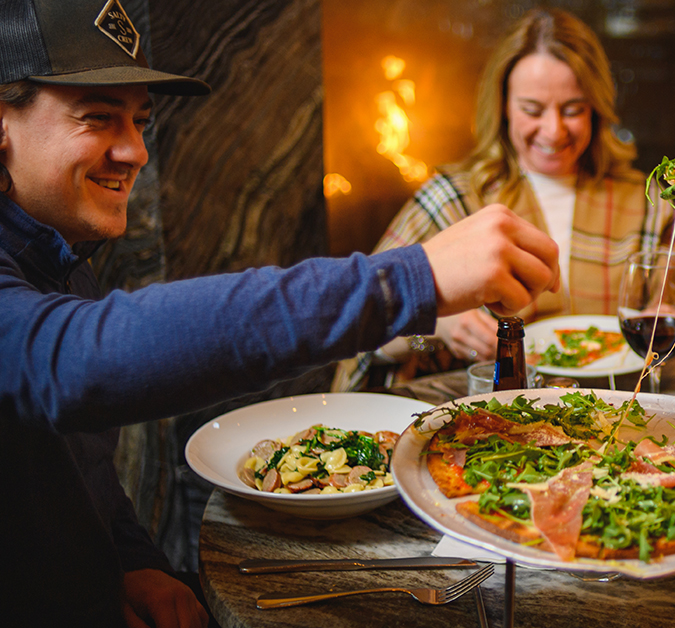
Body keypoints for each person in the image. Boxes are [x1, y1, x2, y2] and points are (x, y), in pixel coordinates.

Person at [0, 1, 559, 626]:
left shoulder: (59, 253)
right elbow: (73, 361)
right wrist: (413, 278)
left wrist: (133, 560)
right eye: (98, 119)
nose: (135, 151)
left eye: (139, 121)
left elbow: (77, 462)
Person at [332, 8, 675, 391]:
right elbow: (362, 320)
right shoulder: (453, 199)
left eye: (573, 109)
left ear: (596, 109)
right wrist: (439, 329)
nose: (554, 130)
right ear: (503, 107)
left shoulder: (647, 204)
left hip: (616, 414)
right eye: (532, 109)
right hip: (489, 418)